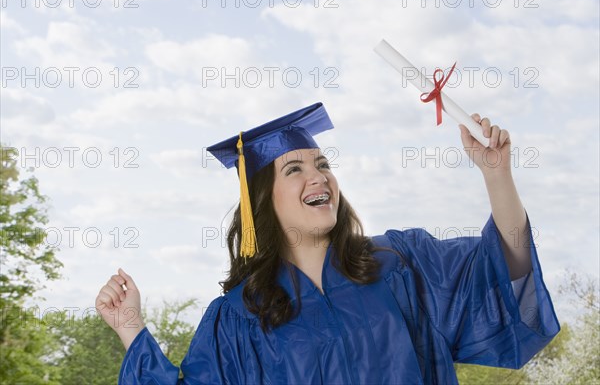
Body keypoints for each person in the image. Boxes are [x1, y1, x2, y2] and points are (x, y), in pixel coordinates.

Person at [95, 102, 560, 384]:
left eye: (323, 164)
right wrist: (131, 326)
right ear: (263, 203)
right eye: (293, 169)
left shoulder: (399, 264)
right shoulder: (239, 318)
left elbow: (505, 270)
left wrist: (497, 175)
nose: (318, 176)